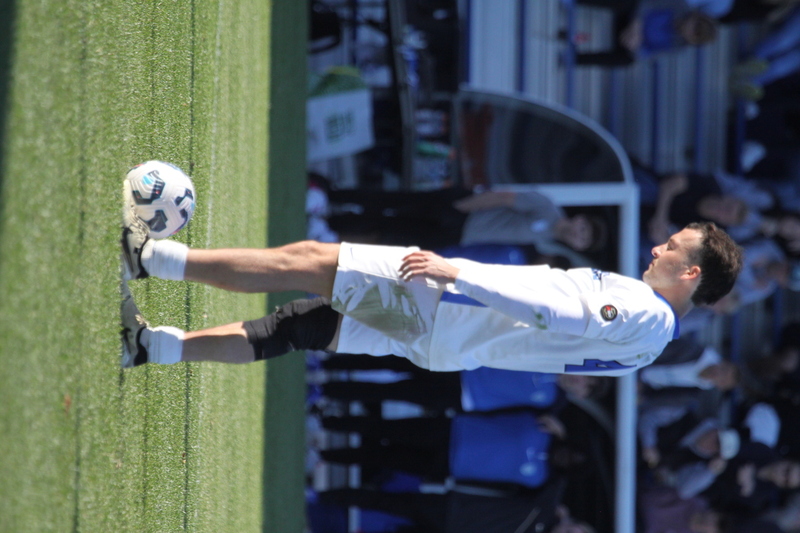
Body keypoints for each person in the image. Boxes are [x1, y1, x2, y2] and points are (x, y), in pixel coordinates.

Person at [120, 181, 743, 376]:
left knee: (305, 261)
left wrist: (457, 271)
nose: (658, 245)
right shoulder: (653, 347)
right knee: (297, 328)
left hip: (448, 304)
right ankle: (153, 348)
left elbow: (557, 311)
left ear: (691, 273)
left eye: (673, 248)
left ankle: (151, 258)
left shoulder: (643, 310)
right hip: (453, 345)